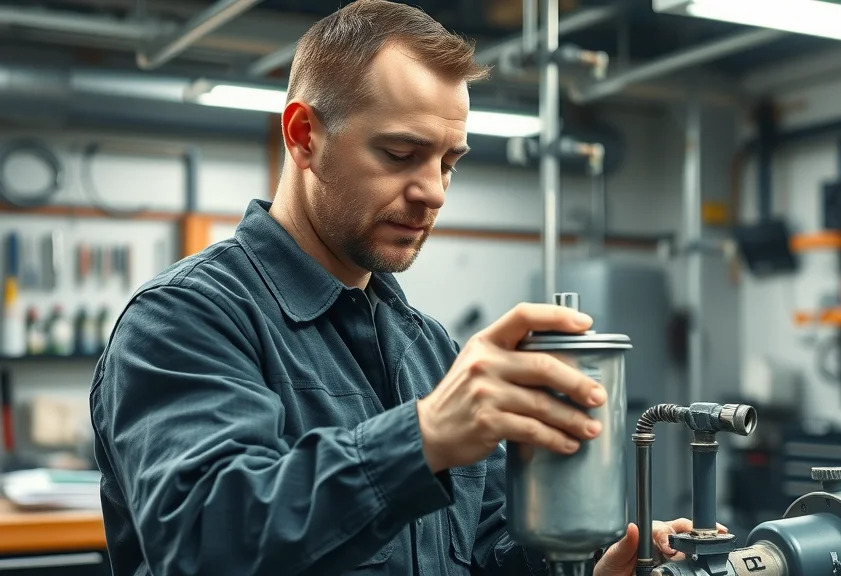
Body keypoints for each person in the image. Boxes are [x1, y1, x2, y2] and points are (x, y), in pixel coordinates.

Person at [89, 1, 723, 574]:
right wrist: (421, 439)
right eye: (400, 154)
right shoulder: (185, 319)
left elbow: (485, 547)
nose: (434, 192)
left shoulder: (427, 347)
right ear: (303, 136)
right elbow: (205, 543)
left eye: (449, 162)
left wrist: (585, 559)